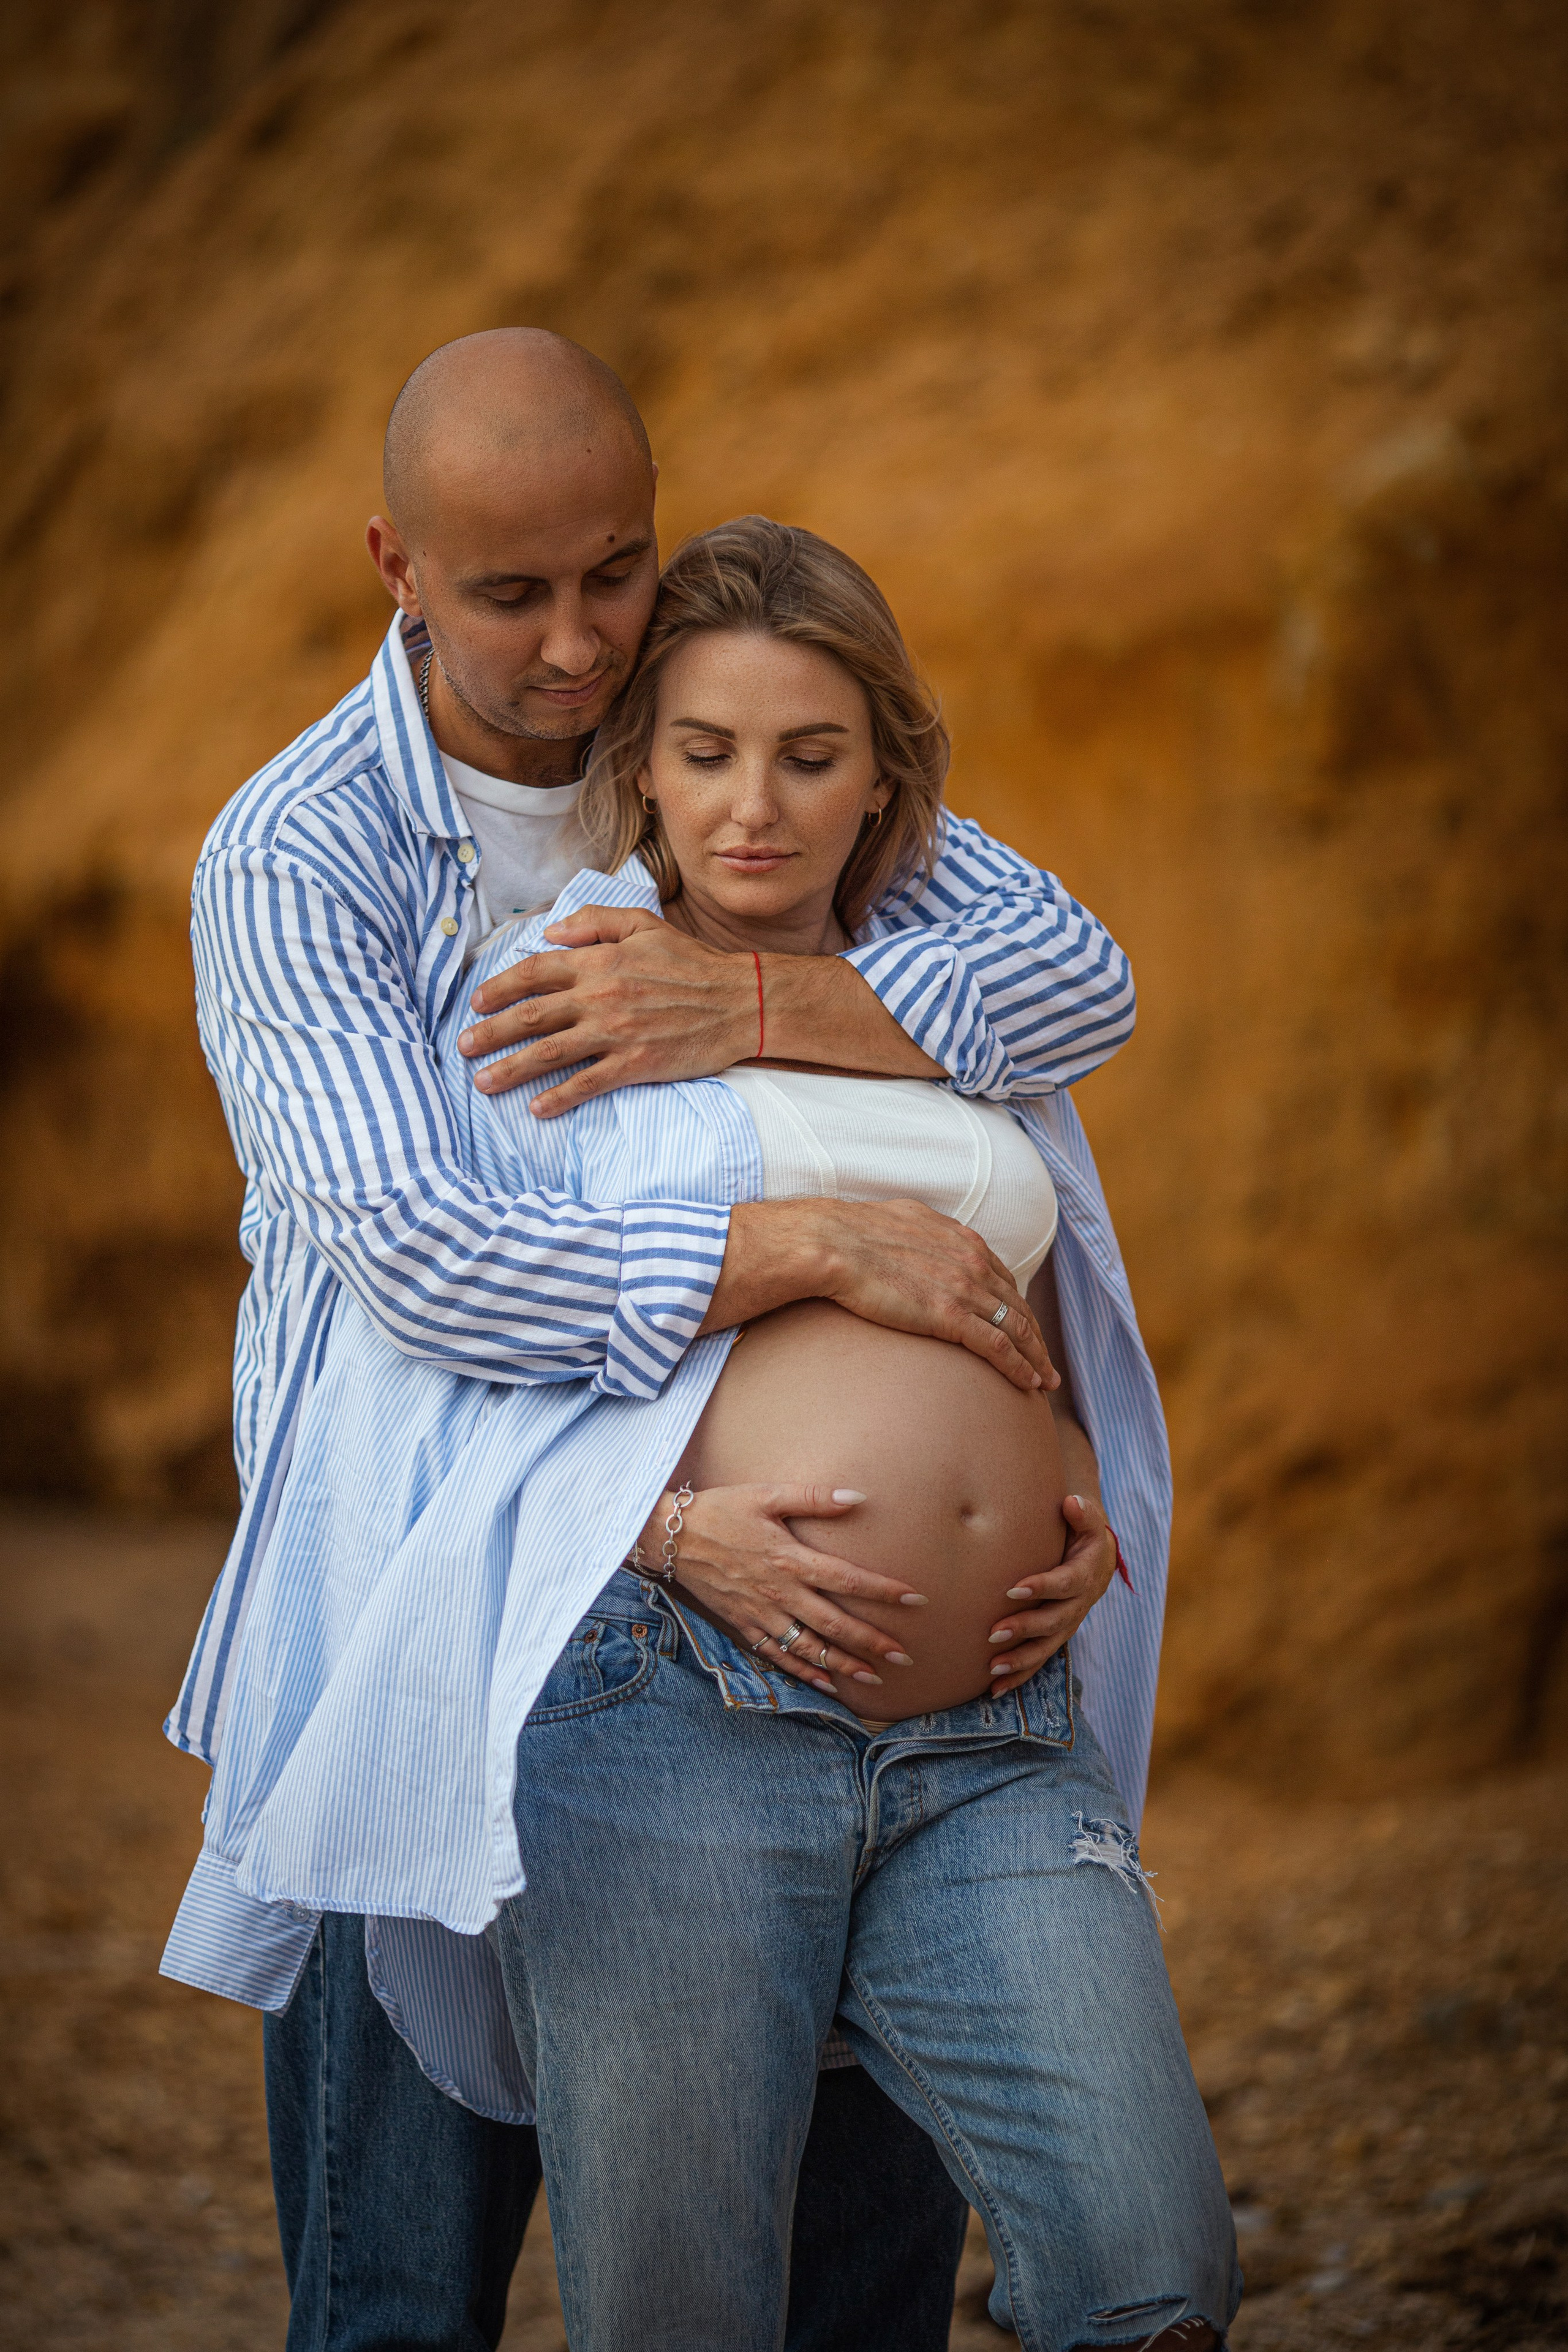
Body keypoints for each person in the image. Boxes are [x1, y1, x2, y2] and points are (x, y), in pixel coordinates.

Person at [163, 333, 1142, 2351]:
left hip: (827, 1684)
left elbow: (1067, 981)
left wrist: (757, 1011)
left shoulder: (721, 733)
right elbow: (431, 1254)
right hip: (430, 1608)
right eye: (511, 593)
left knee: (831, 2268)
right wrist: (804, 1256)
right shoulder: (303, 851)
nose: (580, 641)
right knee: (400, 2290)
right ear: (397, 566)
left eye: (615, 569)